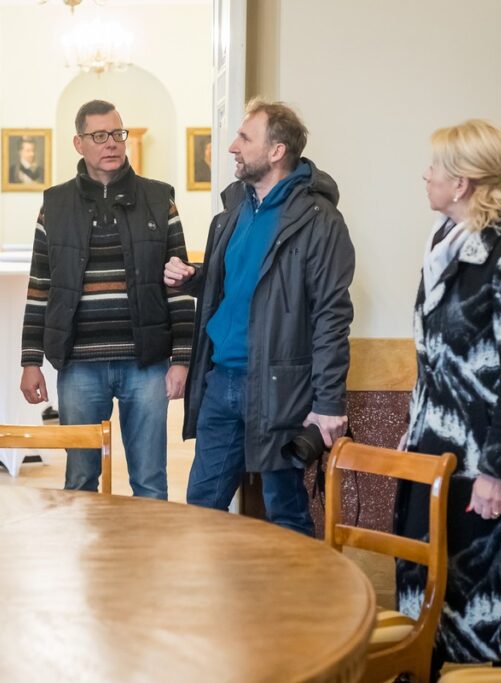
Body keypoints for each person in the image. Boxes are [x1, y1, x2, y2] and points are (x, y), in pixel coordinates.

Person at [395, 119, 501, 679]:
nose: (426, 174)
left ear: (462, 182)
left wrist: (497, 471)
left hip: (488, 470)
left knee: (494, 612)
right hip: (436, 454)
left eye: (435, 166)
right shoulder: (445, 245)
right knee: (432, 604)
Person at [164, 99, 355, 535]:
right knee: (201, 507)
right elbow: (236, 285)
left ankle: (303, 605)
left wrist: (328, 404)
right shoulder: (232, 212)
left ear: (276, 151)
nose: (232, 146)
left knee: (284, 511)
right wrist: (194, 278)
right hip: (221, 383)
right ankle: (213, 603)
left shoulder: (320, 222)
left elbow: (331, 316)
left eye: (245, 138)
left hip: (279, 388)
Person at [19, 99, 195, 499]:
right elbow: (39, 288)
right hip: (79, 365)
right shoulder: (55, 204)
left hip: (146, 363)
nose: (112, 143)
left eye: (118, 134)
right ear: (79, 143)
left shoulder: (158, 198)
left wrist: (182, 359)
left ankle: (144, 562)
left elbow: (180, 286)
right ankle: (87, 562)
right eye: (100, 136)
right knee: (80, 482)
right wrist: (30, 361)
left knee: (150, 481)